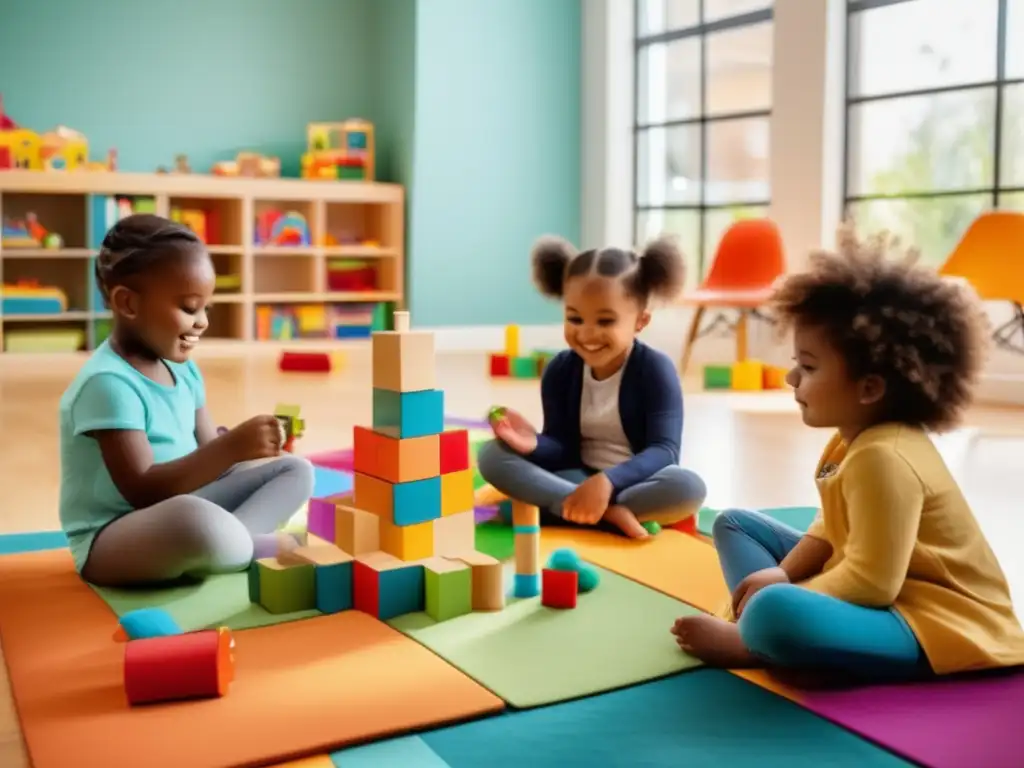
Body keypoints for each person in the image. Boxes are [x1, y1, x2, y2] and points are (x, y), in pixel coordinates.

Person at [671, 224, 1024, 680]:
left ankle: (757, 638)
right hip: (884, 590)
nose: (790, 379)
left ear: (869, 387)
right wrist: (782, 574)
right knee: (734, 523)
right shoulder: (854, 436)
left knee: (777, 609)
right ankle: (764, 624)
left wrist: (778, 590)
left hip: (934, 622)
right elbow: (831, 527)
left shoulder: (886, 457)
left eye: (809, 366)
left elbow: (873, 583)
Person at [59, 214, 314, 587]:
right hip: (114, 536)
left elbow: (211, 453)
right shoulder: (108, 384)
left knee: (296, 470)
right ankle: (238, 546)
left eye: (205, 309)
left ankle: (228, 548)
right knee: (192, 520)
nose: (203, 323)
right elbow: (143, 491)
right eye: (189, 308)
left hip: (185, 509)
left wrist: (253, 447)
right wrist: (231, 447)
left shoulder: (185, 371)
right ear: (128, 303)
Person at [477, 235, 707, 540]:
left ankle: (559, 507)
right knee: (492, 454)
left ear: (640, 321)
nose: (587, 333)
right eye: (575, 318)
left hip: (634, 484)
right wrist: (532, 444)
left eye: (605, 321)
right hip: (576, 477)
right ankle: (609, 516)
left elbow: (664, 451)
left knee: (687, 487)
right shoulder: (560, 370)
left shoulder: (655, 369)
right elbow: (562, 447)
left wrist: (608, 482)